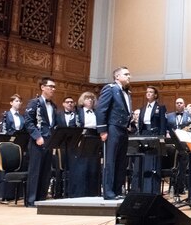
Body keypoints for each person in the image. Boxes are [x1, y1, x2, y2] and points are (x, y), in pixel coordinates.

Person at [95, 66, 133, 200]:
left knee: (121, 161)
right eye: (126, 74)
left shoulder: (127, 92)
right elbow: (101, 109)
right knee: (110, 161)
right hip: (112, 128)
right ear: (117, 76)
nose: (129, 76)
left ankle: (117, 190)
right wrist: (102, 130)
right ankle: (109, 191)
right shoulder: (110, 88)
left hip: (123, 129)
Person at [24, 77, 58, 207]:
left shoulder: (53, 105)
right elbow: (28, 122)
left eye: (54, 87)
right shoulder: (34, 103)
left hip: (49, 141)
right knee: (35, 171)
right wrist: (37, 136)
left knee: (45, 171)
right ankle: (31, 200)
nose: (53, 89)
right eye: (51, 86)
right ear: (43, 87)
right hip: (37, 141)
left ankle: (41, 199)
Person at [135, 86, 167, 194]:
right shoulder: (143, 108)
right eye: (147, 92)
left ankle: (153, 190)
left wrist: (161, 137)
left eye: (151, 92)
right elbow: (140, 124)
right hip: (144, 134)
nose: (148, 94)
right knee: (144, 161)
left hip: (155, 135)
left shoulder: (160, 107)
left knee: (154, 161)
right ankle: (143, 189)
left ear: (155, 95)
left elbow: (163, 124)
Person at [0, 94, 25, 201]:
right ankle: (2, 193)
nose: (18, 103)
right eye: (16, 101)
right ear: (11, 103)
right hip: (6, 145)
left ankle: (14, 194)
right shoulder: (5, 114)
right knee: (4, 168)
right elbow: (2, 129)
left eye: (20, 101)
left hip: (17, 145)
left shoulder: (22, 117)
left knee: (17, 168)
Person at [70, 92, 101, 197]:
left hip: (95, 138)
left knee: (93, 165)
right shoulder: (77, 112)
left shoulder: (97, 112)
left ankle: (92, 193)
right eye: (87, 98)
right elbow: (72, 126)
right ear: (83, 100)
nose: (90, 100)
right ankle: (80, 193)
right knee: (81, 166)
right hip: (82, 138)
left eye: (92, 99)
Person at [166, 97, 191, 196]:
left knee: (183, 168)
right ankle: (172, 187)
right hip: (172, 145)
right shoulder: (168, 116)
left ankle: (181, 188)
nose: (179, 104)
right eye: (177, 103)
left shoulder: (190, 116)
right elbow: (166, 128)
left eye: (181, 103)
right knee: (173, 167)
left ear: (184, 105)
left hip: (185, 145)